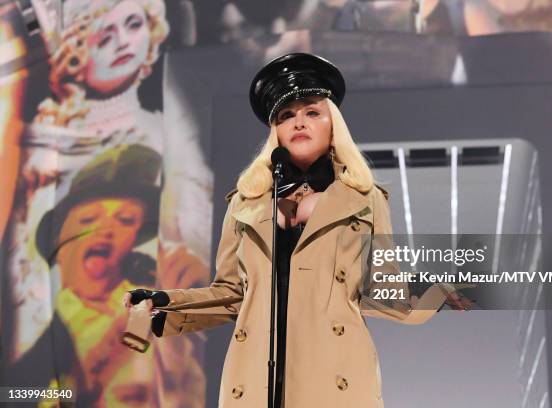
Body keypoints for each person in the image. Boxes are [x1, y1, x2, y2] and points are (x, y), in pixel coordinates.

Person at [124, 53, 471, 407]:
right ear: (275, 131)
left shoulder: (365, 199)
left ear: (332, 124)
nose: (298, 122)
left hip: (335, 376)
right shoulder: (245, 203)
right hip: (256, 378)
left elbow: (380, 288)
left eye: (312, 112)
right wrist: (163, 305)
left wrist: (439, 292)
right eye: (286, 116)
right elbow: (230, 294)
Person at [7, 144, 204, 406]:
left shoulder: (146, 302)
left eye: (125, 220)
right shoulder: (32, 325)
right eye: (88, 219)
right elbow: (13, 394)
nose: (106, 230)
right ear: (59, 240)